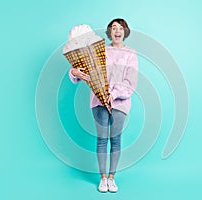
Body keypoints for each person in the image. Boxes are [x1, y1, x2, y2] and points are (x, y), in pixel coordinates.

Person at [68, 18, 138, 192]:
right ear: (109, 32)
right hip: (98, 102)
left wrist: (113, 94)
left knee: (115, 140)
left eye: (120, 28)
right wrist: (74, 72)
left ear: (125, 32)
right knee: (101, 139)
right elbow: (83, 67)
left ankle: (112, 178)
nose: (117, 31)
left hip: (120, 103)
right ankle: (103, 178)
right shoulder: (101, 50)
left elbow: (131, 82)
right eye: (113, 28)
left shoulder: (131, 54)